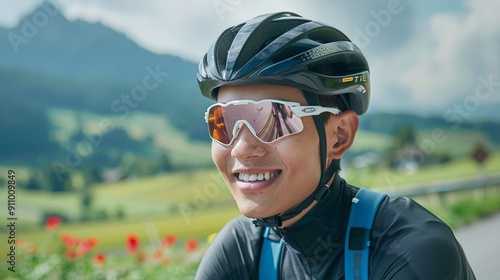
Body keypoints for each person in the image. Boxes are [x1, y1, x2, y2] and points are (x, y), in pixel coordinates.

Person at [194, 11, 476, 279]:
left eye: (275, 117)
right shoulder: (240, 249)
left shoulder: (412, 252)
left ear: (339, 136)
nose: (241, 148)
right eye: (223, 121)